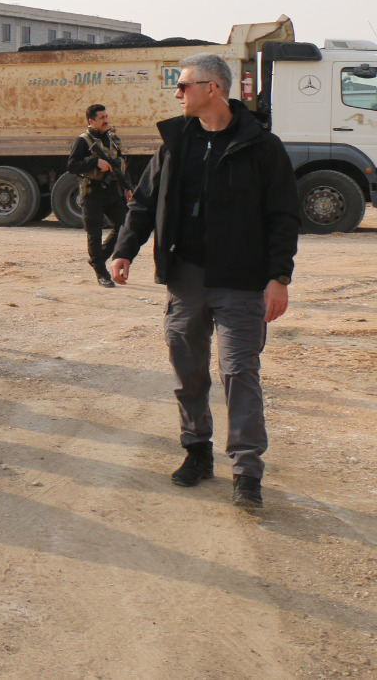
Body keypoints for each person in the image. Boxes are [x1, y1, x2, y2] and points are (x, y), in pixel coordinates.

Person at [110, 53, 299, 510]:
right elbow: (144, 203)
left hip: (242, 279)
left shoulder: (262, 146)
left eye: (184, 86)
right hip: (187, 276)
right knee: (188, 368)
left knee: (239, 371)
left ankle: (247, 470)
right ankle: (197, 450)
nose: (177, 94)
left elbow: (283, 216)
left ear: (212, 89)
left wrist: (279, 277)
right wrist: (123, 250)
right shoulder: (176, 143)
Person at [68, 104, 132, 288]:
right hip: (92, 192)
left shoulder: (113, 139)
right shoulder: (82, 141)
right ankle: (101, 273)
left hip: (113, 191)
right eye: (101, 118)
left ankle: (98, 259)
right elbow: (72, 165)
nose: (106, 120)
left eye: (106, 116)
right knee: (94, 233)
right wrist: (95, 161)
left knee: (124, 227)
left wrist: (127, 188)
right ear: (91, 121)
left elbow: (121, 166)